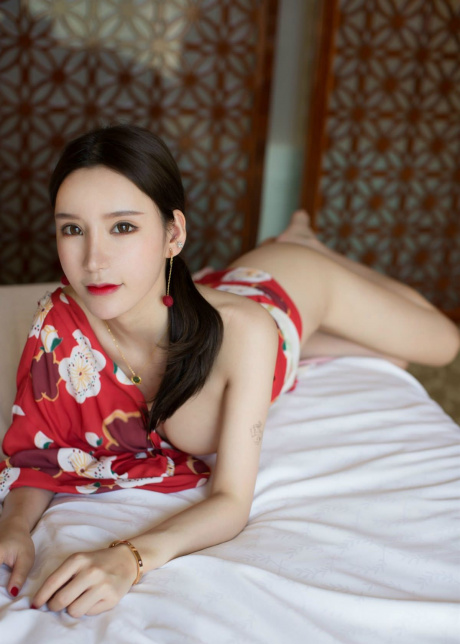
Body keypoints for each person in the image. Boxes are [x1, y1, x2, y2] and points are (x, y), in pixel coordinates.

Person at [0, 124, 458, 618]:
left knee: (443, 343)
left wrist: (130, 558)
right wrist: (15, 527)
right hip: (193, 302)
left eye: (123, 227)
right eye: (73, 229)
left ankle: (309, 247)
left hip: (288, 289)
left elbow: (232, 501)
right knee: (386, 356)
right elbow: (40, 453)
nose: (93, 261)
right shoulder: (59, 324)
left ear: (173, 234)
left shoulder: (247, 332)